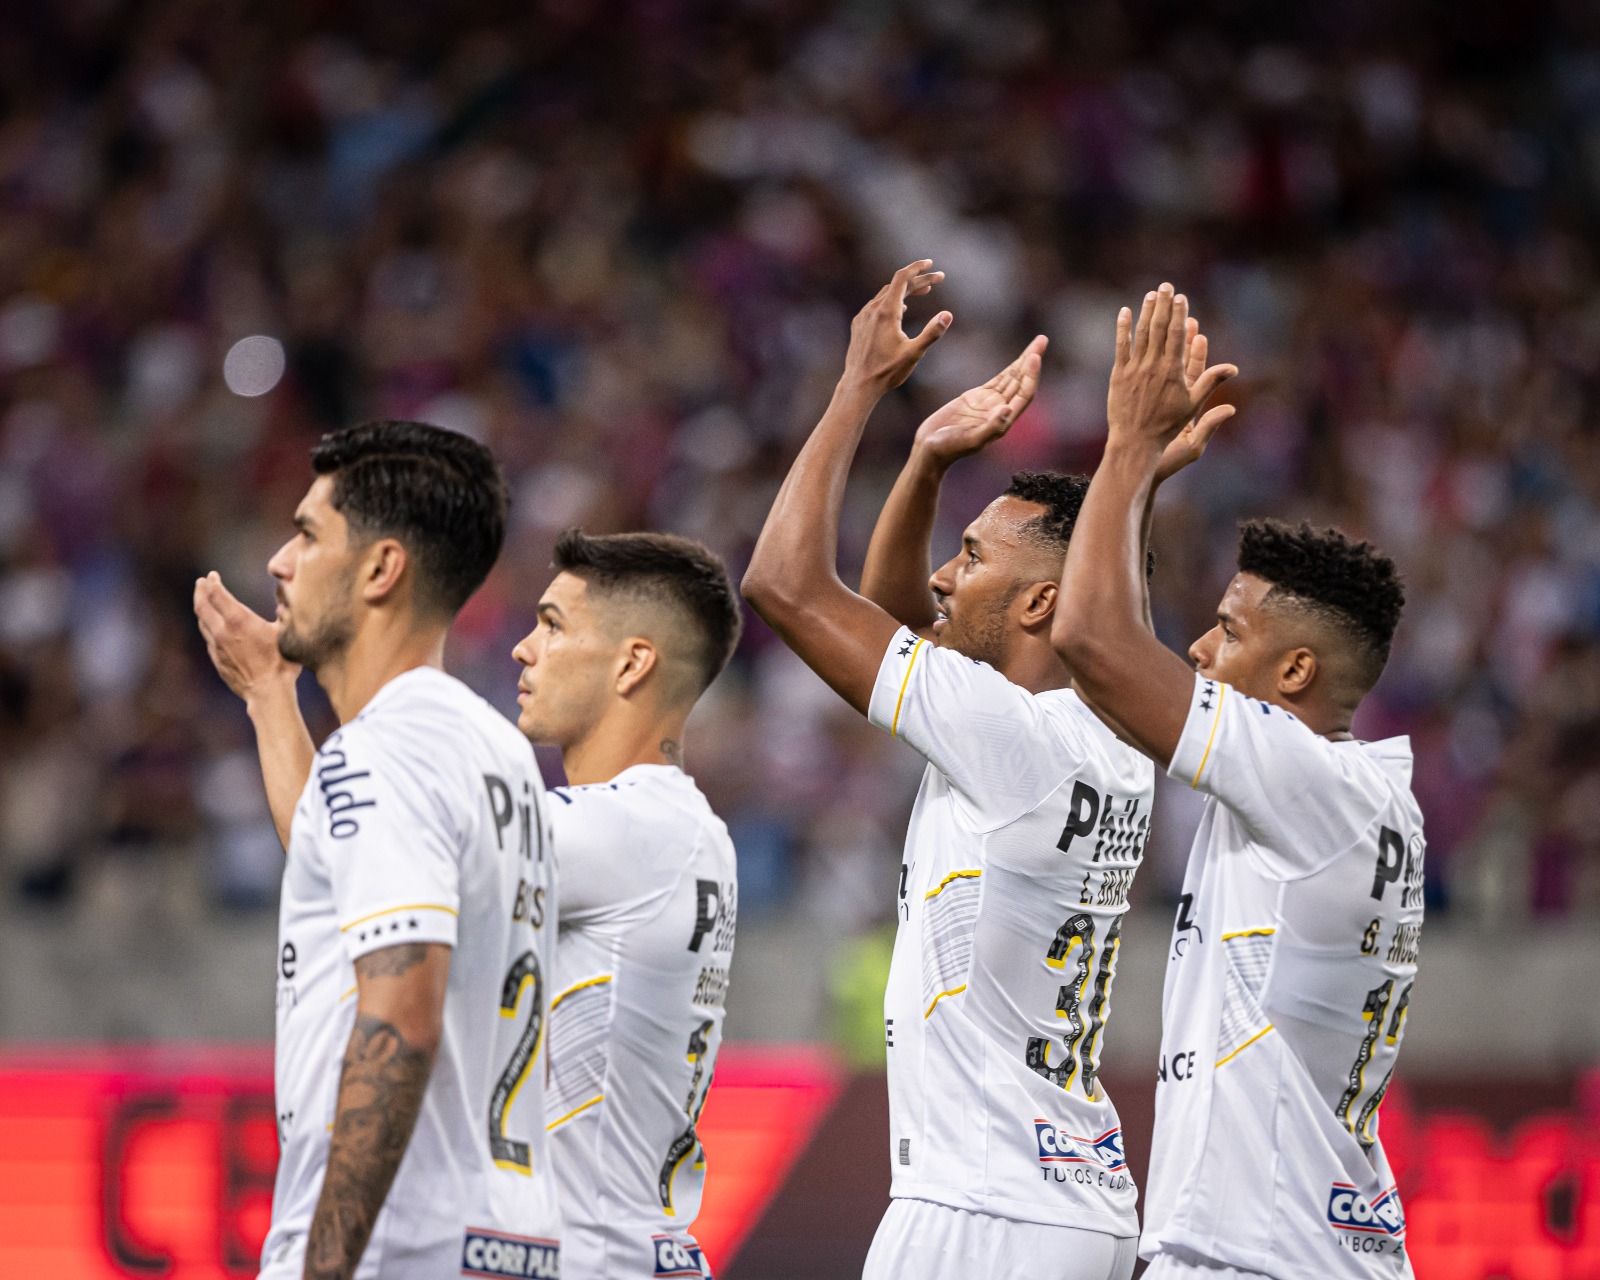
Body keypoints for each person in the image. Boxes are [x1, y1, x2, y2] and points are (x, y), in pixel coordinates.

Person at [741, 262, 1225, 1280]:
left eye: (970, 556)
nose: (943, 576)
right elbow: (897, 617)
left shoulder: (1008, 736)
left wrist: (858, 390)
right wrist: (921, 462)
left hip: (978, 1209)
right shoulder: (1103, 734)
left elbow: (782, 584)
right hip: (1071, 1198)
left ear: (1044, 604)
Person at [1053, 284, 1423, 1279]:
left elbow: (1089, 637)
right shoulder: (1351, 795)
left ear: (1295, 673)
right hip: (1314, 1247)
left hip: (1253, 1254)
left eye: (1230, 627)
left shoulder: (1308, 780)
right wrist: (1132, 493)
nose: (1201, 646)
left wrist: (1125, 447)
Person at [192, 421, 560, 1280]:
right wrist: (269, 698)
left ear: (381, 568)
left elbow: (399, 1015)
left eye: (308, 533)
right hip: (503, 1239)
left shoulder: (383, 752)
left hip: (397, 1242)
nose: (279, 562)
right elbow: (343, 854)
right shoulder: (490, 746)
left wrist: (324, 1269)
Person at [511, 529, 741, 1280]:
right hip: (640, 1250)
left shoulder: (623, 828)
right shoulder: (685, 828)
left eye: (551, 625)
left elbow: (360, 860)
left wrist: (268, 698)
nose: (523, 648)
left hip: (591, 1261)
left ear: (633, 661)